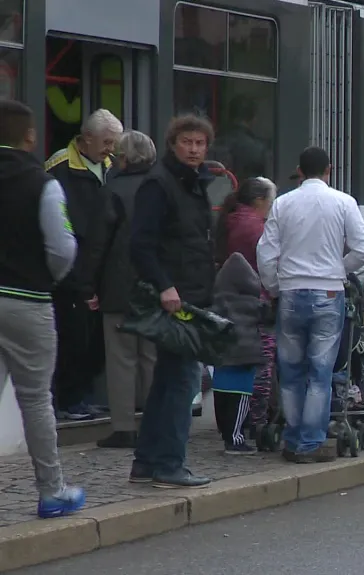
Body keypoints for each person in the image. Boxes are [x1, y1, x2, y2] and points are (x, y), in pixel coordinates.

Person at [257, 146, 364, 463]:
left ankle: (293, 439)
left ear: (299, 171)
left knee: (291, 371)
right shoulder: (344, 202)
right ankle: (311, 444)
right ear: (329, 170)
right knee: (321, 373)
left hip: (291, 293)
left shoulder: (282, 204)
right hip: (329, 294)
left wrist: (275, 287)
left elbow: (265, 253)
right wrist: (339, 269)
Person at [0, 99, 85, 517]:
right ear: (30, 136)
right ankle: (52, 492)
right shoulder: (43, 183)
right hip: (27, 299)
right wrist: (46, 277)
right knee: (35, 399)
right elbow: (62, 248)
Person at [129, 114, 217, 489]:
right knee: (183, 381)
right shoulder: (159, 183)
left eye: (200, 143)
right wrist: (165, 286)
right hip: (176, 296)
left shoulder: (194, 183)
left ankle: (148, 462)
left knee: (168, 380)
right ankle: (169, 464)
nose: (194, 149)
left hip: (192, 293)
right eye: (187, 142)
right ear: (172, 144)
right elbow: (140, 243)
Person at [45, 108, 124, 420]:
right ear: (87, 138)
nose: (110, 149)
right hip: (73, 267)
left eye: (114, 143)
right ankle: (69, 400)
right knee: (73, 336)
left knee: (96, 339)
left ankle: (85, 395)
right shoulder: (59, 167)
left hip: (103, 267)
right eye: (106, 142)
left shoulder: (112, 166)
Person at [85, 130, 158, 449]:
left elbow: (97, 244)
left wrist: (88, 285)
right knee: (151, 357)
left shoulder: (111, 191)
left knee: (121, 358)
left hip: (118, 287)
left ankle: (124, 427)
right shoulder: (162, 189)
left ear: (124, 159)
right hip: (157, 286)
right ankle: (156, 421)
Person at [214, 177, 277, 430]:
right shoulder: (254, 228)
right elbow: (270, 261)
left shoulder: (231, 219)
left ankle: (234, 422)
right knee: (261, 362)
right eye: (270, 202)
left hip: (229, 301)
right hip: (254, 302)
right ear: (259, 200)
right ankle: (255, 422)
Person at [210, 253, 270, 455]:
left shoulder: (216, 302)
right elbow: (269, 317)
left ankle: (226, 434)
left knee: (221, 399)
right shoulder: (253, 304)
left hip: (222, 359)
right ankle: (236, 439)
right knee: (240, 401)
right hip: (245, 359)